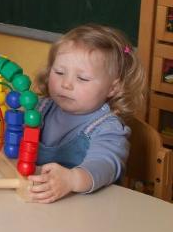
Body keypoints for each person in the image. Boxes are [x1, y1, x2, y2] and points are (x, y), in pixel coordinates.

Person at [26, 24, 145, 203]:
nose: (66, 84)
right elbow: (4, 139)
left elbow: (105, 164)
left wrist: (72, 179)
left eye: (82, 78)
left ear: (113, 88)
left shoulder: (107, 128)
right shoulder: (39, 109)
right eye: (59, 72)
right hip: (37, 207)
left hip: (88, 217)